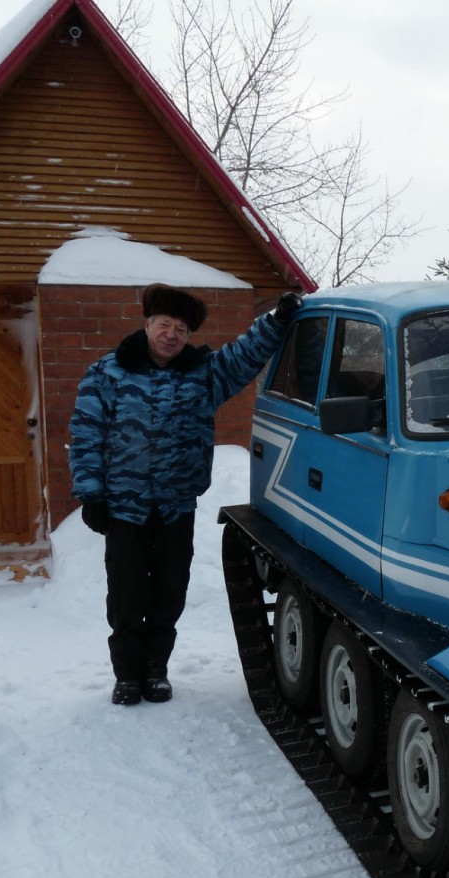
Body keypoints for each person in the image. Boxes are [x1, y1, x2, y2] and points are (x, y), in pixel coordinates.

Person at [69, 284, 301, 705]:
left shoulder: (204, 374)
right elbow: (87, 433)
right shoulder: (107, 373)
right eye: (164, 325)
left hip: (177, 506)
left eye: (180, 328)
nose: (171, 334)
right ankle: (127, 676)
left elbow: (245, 354)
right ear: (147, 325)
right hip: (124, 508)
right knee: (126, 596)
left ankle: (156, 671)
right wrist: (91, 494)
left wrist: (278, 320)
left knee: (169, 593)